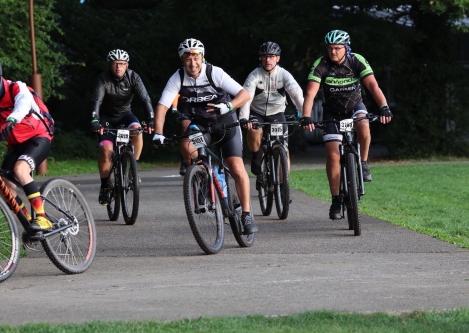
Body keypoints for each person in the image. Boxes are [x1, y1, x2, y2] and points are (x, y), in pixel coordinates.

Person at [152, 38, 258, 234]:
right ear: (182, 60)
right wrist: (158, 133)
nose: (192, 64)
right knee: (187, 146)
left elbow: (244, 94)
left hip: (225, 123)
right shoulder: (178, 77)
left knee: (235, 166)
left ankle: (246, 214)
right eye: (187, 59)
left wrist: (228, 106)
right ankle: (202, 178)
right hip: (201, 125)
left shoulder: (214, 72)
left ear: (202, 57)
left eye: (196, 58)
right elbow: (162, 106)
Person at [300, 30, 392, 220]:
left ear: (346, 48)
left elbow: (373, 86)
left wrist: (384, 107)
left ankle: (364, 163)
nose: (333, 52)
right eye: (330, 48)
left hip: (354, 107)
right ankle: (335, 200)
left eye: (337, 48)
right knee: (333, 156)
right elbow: (310, 93)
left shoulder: (356, 60)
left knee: (364, 125)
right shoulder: (321, 64)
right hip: (332, 113)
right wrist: (306, 116)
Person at [0, 54, 54, 232]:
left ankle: (42, 218)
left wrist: (11, 120)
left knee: (20, 169)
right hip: (15, 145)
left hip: (38, 137)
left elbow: (22, 104)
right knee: (4, 187)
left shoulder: (17, 88)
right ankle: (30, 224)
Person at [90, 49, 154, 206]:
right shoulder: (103, 79)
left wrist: (151, 119)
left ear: (127, 65)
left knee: (138, 130)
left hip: (125, 114)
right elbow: (96, 101)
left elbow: (145, 99)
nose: (118, 67)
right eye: (114, 63)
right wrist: (94, 120)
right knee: (106, 150)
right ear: (110, 65)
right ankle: (105, 185)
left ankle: (133, 168)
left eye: (121, 64)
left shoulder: (134, 77)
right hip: (105, 119)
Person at [238, 41, 305, 180]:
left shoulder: (284, 74)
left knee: (284, 150)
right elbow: (247, 97)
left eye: (271, 56)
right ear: (261, 58)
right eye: (264, 56)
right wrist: (244, 118)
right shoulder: (254, 75)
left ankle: (283, 186)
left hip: (277, 113)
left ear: (278, 58)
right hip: (257, 112)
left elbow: (296, 94)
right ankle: (256, 154)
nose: (268, 60)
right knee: (254, 129)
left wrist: (306, 115)